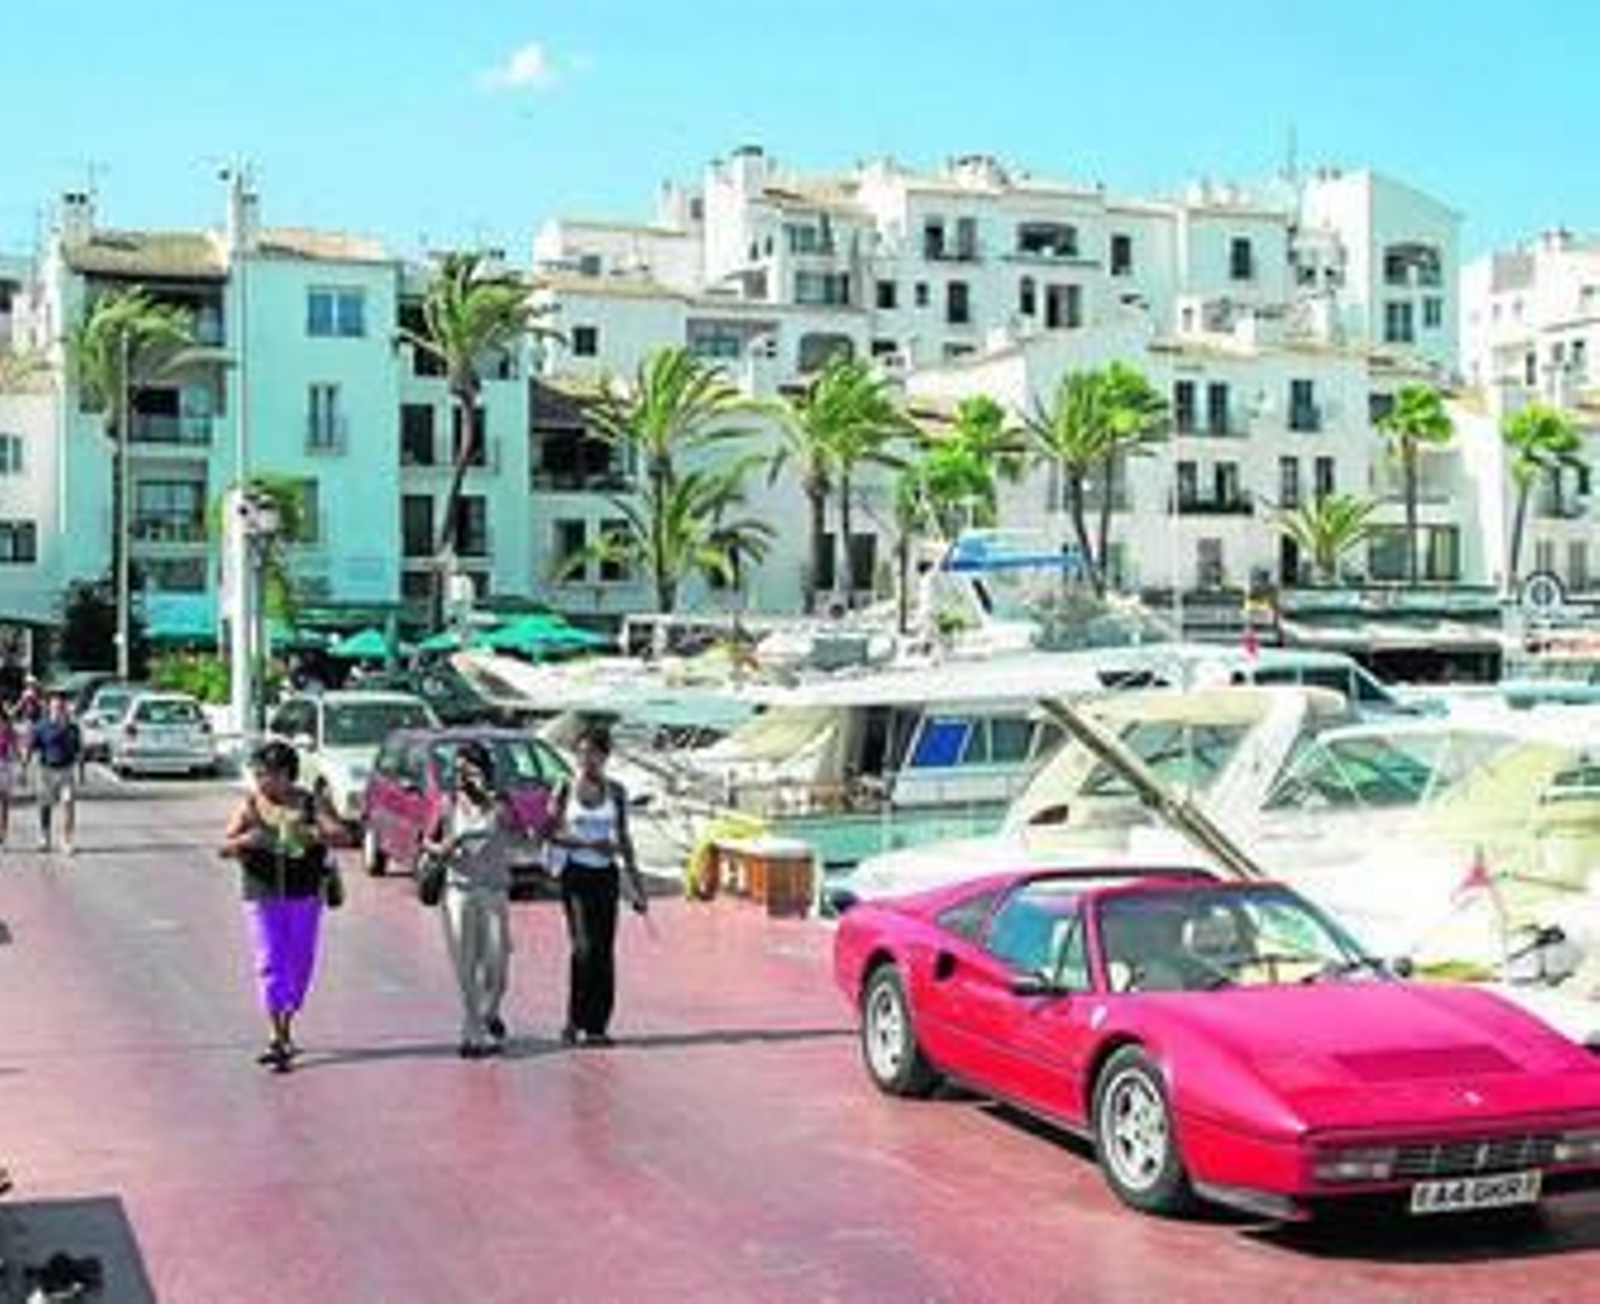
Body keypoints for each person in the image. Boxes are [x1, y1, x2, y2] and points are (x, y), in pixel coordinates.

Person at [219, 741, 344, 1072]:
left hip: (305, 893)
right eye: (257, 775)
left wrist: (310, 833)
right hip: (261, 893)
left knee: (299, 962)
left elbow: (341, 834)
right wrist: (247, 841)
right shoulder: (250, 805)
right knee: (270, 960)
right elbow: (224, 845)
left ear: (286, 775)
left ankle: (287, 1021)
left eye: (267, 775)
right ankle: (276, 1036)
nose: (261, 782)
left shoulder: (309, 802)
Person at [546, 725, 647, 1047]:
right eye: (581, 752)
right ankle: (574, 1018)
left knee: (604, 951)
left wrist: (636, 883)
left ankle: (598, 1025)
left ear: (605, 756)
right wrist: (586, 844)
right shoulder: (564, 787)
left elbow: (625, 838)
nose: (587, 759)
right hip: (575, 874)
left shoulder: (616, 791)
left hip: (607, 876)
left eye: (594, 753)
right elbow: (548, 833)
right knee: (583, 948)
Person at [423, 741, 523, 1059]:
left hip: (494, 890)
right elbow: (427, 841)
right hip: (459, 890)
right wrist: (445, 847)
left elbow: (520, 833)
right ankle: (472, 1029)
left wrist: (489, 796)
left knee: (497, 968)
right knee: (466, 964)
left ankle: (488, 1013)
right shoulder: (447, 802)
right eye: (458, 768)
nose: (463, 774)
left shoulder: (499, 802)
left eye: (470, 767)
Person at [27, 695, 81, 855]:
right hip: (46, 770)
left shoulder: (72, 728)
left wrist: (81, 771)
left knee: (68, 805)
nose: (58, 710)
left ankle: (66, 840)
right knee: (45, 806)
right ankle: (44, 837)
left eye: (60, 707)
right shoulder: (41, 726)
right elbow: (32, 747)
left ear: (64, 709)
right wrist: (25, 767)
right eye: (55, 707)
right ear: (49, 709)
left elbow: (78, 750)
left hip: (66, 770)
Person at [0, 704, 19, 846]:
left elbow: (15, 745)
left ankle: (3, 834)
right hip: (5, 764)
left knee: (4, 802)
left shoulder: (8, 725)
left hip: (4, 764)